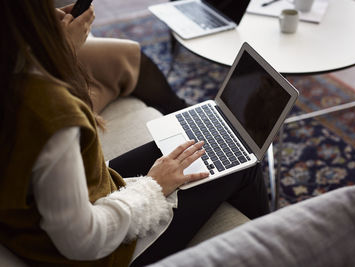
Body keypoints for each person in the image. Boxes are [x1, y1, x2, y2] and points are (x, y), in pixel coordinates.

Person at [0, 1, 269, 266]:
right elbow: (82, 241)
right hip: (97, 255)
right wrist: (154, 187)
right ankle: (271, 245)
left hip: (34, 223)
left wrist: (50, 48)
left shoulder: (14, 75)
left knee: (203, 140)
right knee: (245, 164)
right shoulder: (50, 110)